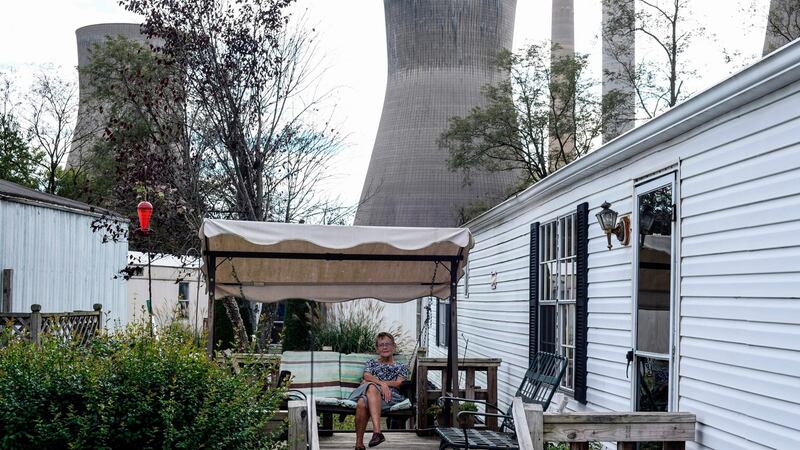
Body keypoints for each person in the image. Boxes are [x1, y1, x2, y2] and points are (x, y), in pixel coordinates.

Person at [349, 332, 408, 449]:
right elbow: (366, 376)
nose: (385, 347)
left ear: (394, 346)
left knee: (364, 398)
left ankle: (364, 440)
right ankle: (372, 436)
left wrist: (382, 385)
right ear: (377, 349)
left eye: (388, 344)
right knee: (368, 392)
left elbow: (399, 383)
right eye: (381, 345)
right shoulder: (371, 363)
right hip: (372, 395)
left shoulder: (401, 366)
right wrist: (382, 384)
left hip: (390, 397)